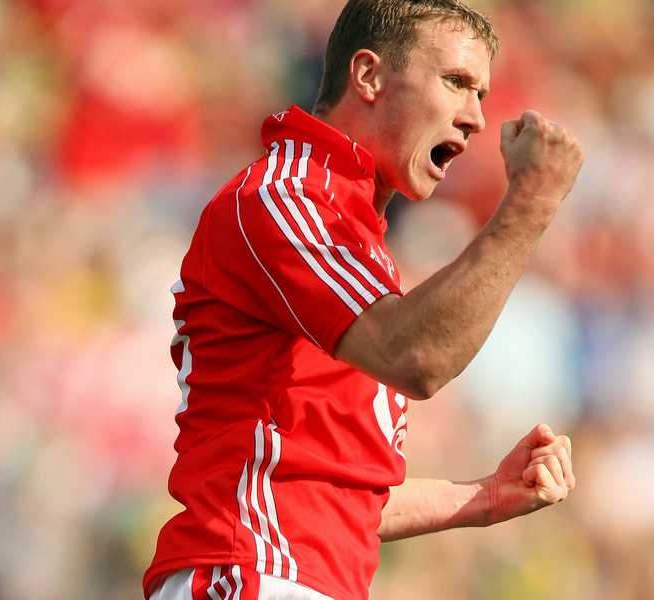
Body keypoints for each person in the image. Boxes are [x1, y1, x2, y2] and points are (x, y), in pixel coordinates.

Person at [144, 1, 583, 598]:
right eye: (455, 81)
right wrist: (530, 203)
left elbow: (335, 498)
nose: (476, 117)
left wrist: (485, 496)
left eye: (481, 93)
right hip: (250, 573)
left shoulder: (353, 236)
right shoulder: (283, 197)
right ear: (369, 75)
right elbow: (417, 359)